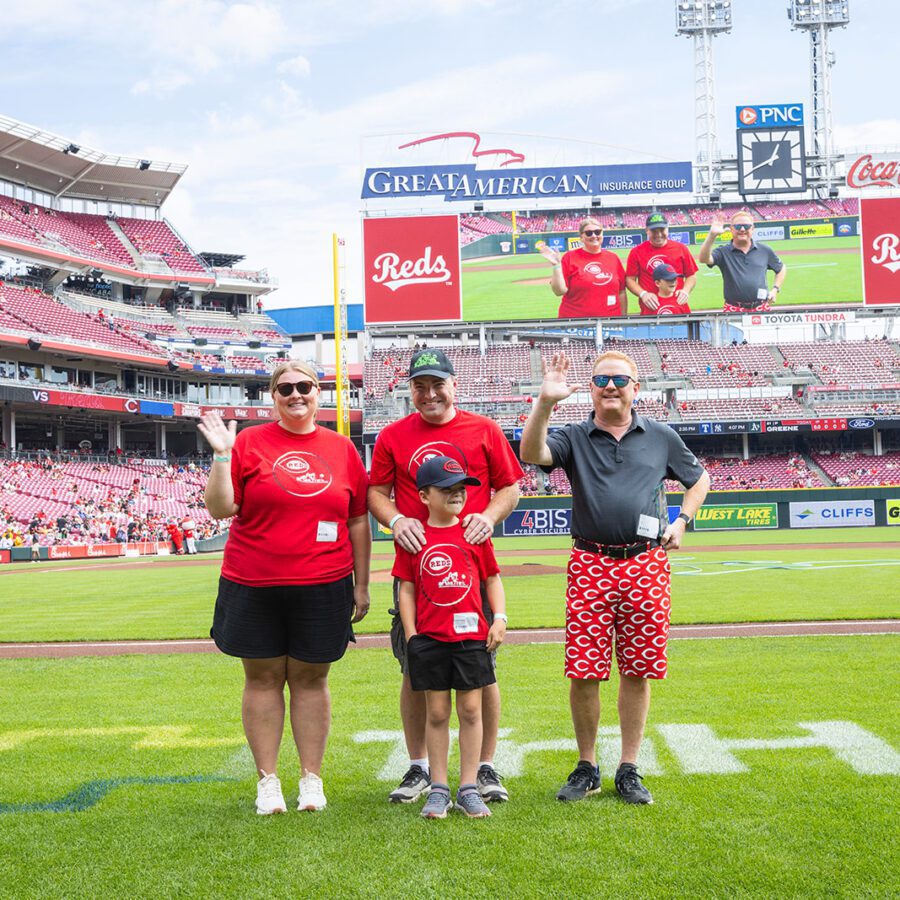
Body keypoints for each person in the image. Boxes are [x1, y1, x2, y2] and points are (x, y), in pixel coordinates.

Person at [519, 350, 709, 805]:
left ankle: (628, 767)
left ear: (635, 388)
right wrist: (544, 403)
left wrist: (682, 521)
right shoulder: (574, 435)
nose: (611, 386)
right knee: (584, 671)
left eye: (620, 379)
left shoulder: (660, 436)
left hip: (645, 563)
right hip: (590, 562)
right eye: (602, 379)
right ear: (590, 388)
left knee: (638, 670)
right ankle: (587, 766)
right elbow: (531, 453)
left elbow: (699, 480)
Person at [199, 360, 371, 816]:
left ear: (319, 393)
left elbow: (357, 520)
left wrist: (362, 583)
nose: (296, 394)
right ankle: (268, 781)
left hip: (324, 582)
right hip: (253, 580)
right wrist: (221, 455)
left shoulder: (342, 449)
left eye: (305, 386)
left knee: (312, 679)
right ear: (272, 397)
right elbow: (219, 509)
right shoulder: (249, 442)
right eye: (285, 388)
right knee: (263, 679)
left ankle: (311, 779)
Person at [368, 348, 522, 805]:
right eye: (420, 386)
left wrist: (489, 517)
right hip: (416, 566)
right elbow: (376, 492)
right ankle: (419, 766)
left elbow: (510, 486)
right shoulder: (393, 436)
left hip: (468, 561)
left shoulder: (484, 429)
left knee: (483, 673)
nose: (430, 393)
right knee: (415, 666)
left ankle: (484, 766)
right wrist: (397, 521)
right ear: (410, 390)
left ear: (454, 385)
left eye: (438, 384)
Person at [395, 456, 508, 819]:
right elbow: (407, 590)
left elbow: (492, 578)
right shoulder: (415, 538)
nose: (456, 494)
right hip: (430, 639)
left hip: (471, 638)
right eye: (446, 489)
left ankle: (469, 787)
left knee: (471, 710)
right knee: (438, 712)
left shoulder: (474, 533)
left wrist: (500, 618)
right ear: (424, 496)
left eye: (460, 488)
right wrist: (411, 635)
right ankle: (439, 788)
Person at [698, 211, 787, 312]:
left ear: (752, 229)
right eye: (738, 226)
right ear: (731, 229)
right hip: (733, 309)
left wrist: (775, 289)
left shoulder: (765, 250)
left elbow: (781, 268)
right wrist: (712, 235)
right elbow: (703, 259)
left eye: (746, 226)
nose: (742, 229)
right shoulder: (723, 252)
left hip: (761, 308)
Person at [538, 218, 626, 318]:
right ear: (581, 237)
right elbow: (559, 291)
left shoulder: (613, 258)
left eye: (597, 232)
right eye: (588, 233)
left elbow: (621, 292)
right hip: (576, 323)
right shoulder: (570, 257)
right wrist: (556, 266)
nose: (594, 235)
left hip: (610, 322)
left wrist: (623, 319)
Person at [625, 213, 698, 315]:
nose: (658, 234)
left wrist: (685, 291)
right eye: (654, 231)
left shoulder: (681, 249)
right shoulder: (636, 252)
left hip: (677, 308)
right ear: (647, 231)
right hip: (650, 309)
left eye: (662, 230)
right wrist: (643, 294)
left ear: (667, 229)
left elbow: (691, 275)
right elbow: (629, 279)